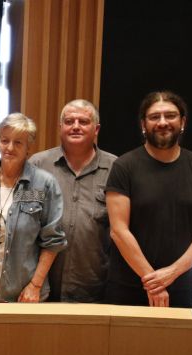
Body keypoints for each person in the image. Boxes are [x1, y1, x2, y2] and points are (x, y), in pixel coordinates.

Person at [105, 91, 192, 308]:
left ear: (182, 121)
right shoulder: (124, 167)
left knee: (177, 343)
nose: (163, 122)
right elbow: (118, 231)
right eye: (154, 117)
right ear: (143, 124)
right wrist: (153, 281)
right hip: (129, 285)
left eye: (170, 115)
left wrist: (171, 273)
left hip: (181, 283)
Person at [0, 113, 66, 302]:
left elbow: (53, 241)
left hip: (23, 295)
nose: (10, 148)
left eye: (18, 142)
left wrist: (35, 285)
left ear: (29, 147)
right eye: (5, 140)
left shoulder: (44, 184)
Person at [28, 99, 117, 302]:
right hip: (41, 286)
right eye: (69, 121)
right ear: (60, 127)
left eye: (83, 122)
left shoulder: (116, 168)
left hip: (95, 287)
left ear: (96, 129)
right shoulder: (37, 165)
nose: (75, 126)